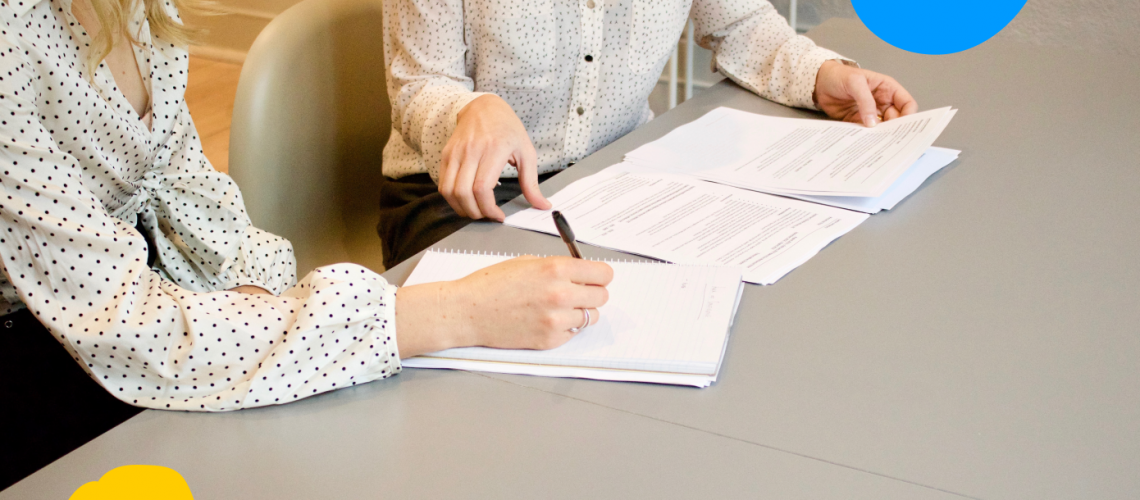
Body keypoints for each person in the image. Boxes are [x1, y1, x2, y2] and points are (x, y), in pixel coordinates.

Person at [0, 0, 612, 490]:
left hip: (143, 301)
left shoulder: (135, 11)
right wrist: (454, 313)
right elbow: (130, 326)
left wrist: (254, 301)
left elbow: (188, 194)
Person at [378, 0, 919, 268]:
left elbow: (742, 24)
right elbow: (418, 82)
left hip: (612, 176)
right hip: (457, 193)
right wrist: (471, 110)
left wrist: (822, 76)